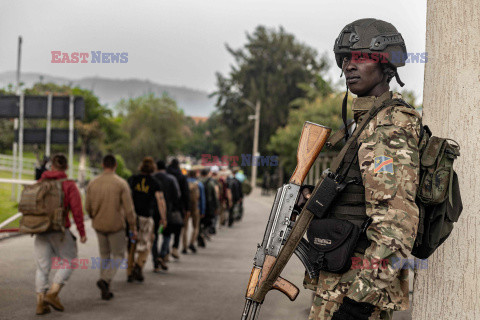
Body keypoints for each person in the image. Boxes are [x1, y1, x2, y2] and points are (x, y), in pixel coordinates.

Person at [306, 19, 421, 320]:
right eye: (345, 58)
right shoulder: (368, 122)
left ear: (386, 64)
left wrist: (358, 304)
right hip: (340, 283)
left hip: (355, 292)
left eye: (360, 57)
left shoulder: (389, 126)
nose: (349, 66)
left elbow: (396, 225)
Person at [34, 154, 86, 315]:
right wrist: (82, 232)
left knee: (42, 268)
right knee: (69, 260)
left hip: (40, 229)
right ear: (66, 168)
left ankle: (40, 304)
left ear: (51, 166)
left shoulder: (40, 182)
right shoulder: (69, 185)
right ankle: (53, 293)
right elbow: (77, 211)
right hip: (59, 231)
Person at [85, 155, 137, 300]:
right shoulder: (121, 183)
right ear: (115, 165)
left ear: (102, 165)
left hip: (99, 224)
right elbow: (129, 209)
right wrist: (133, 226)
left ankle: (105, 287)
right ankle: (105, 280)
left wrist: (93, 215)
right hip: (116, 225)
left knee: (104, 255)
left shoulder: (93, 183)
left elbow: (87, 206)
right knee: (119, 255)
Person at [127, 157, 167, 282]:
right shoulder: (155, 182)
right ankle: (139, 265)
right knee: (148, 242)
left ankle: (129, 271)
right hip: (146, 216)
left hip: (132, 216)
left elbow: (126, 197)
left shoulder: (133, 179)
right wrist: (163, 217)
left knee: (132, 243)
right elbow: (160, 201)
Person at [153, 160, 181, 271]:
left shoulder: (152, 178)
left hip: (153, 212)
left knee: (154, 237)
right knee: (167, 235)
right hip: (168, 211)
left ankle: (155, 261)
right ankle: (162, 254)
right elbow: (177, 195)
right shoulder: (171, 179)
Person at [166, 159, 190, 259]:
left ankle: (165, 251)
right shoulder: (181, 177)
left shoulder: (165, 175)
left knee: (165, 230)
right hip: (178, 207)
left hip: (165, 206)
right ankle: (175, 248)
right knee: (178, 228)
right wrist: (187, 208)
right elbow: (185, 193)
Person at [182, 170, 202, 254]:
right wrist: (203, 210)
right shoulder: (199, 184)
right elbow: (202, 199)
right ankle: (192, 242)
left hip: (186, 208)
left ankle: (184, 246)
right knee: (195, 227)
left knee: (184, 228)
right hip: (195, 208)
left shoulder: (184, 183)